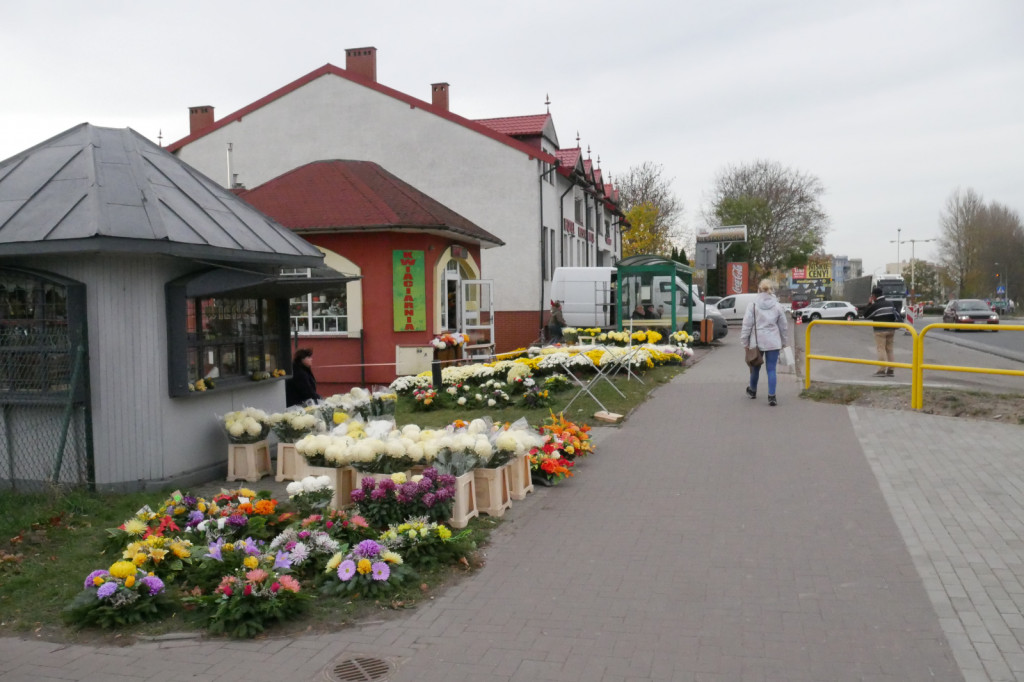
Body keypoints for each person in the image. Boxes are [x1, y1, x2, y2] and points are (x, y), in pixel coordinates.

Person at [740, 279, 789, 407]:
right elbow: (783, 326)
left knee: (755, 366)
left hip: (757, 341)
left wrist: (744, 341)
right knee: (771, 369)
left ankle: (752, 391)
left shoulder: (753, 305)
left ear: (759, 290)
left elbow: (746, 325)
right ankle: (772, 397)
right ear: (771, 290)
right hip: (773, 341)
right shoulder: (777, 305)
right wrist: (784, 341)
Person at [860, 286, 898, 377]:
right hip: (891, 329)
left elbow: (866, 315)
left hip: (880, 330)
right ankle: (891, 370)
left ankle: (881, 370)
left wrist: (869, 303)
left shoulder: (875, 305)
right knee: (889, 349)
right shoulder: (890, 303)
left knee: (881, 349)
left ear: (873, 296)